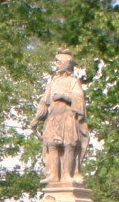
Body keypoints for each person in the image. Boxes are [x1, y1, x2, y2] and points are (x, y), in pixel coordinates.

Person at [34, 50, 87, 189]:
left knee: (69, 144)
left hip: (68, 118)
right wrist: (36, 118)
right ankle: (53, 174)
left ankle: (67, 175)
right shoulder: (53, 82)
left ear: (66, 64)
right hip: (53, 118)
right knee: (52, 145)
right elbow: (44, 101)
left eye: (59, 62)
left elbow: (79, 100)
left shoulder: (73, 82)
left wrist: (64, 96)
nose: (56, 65)